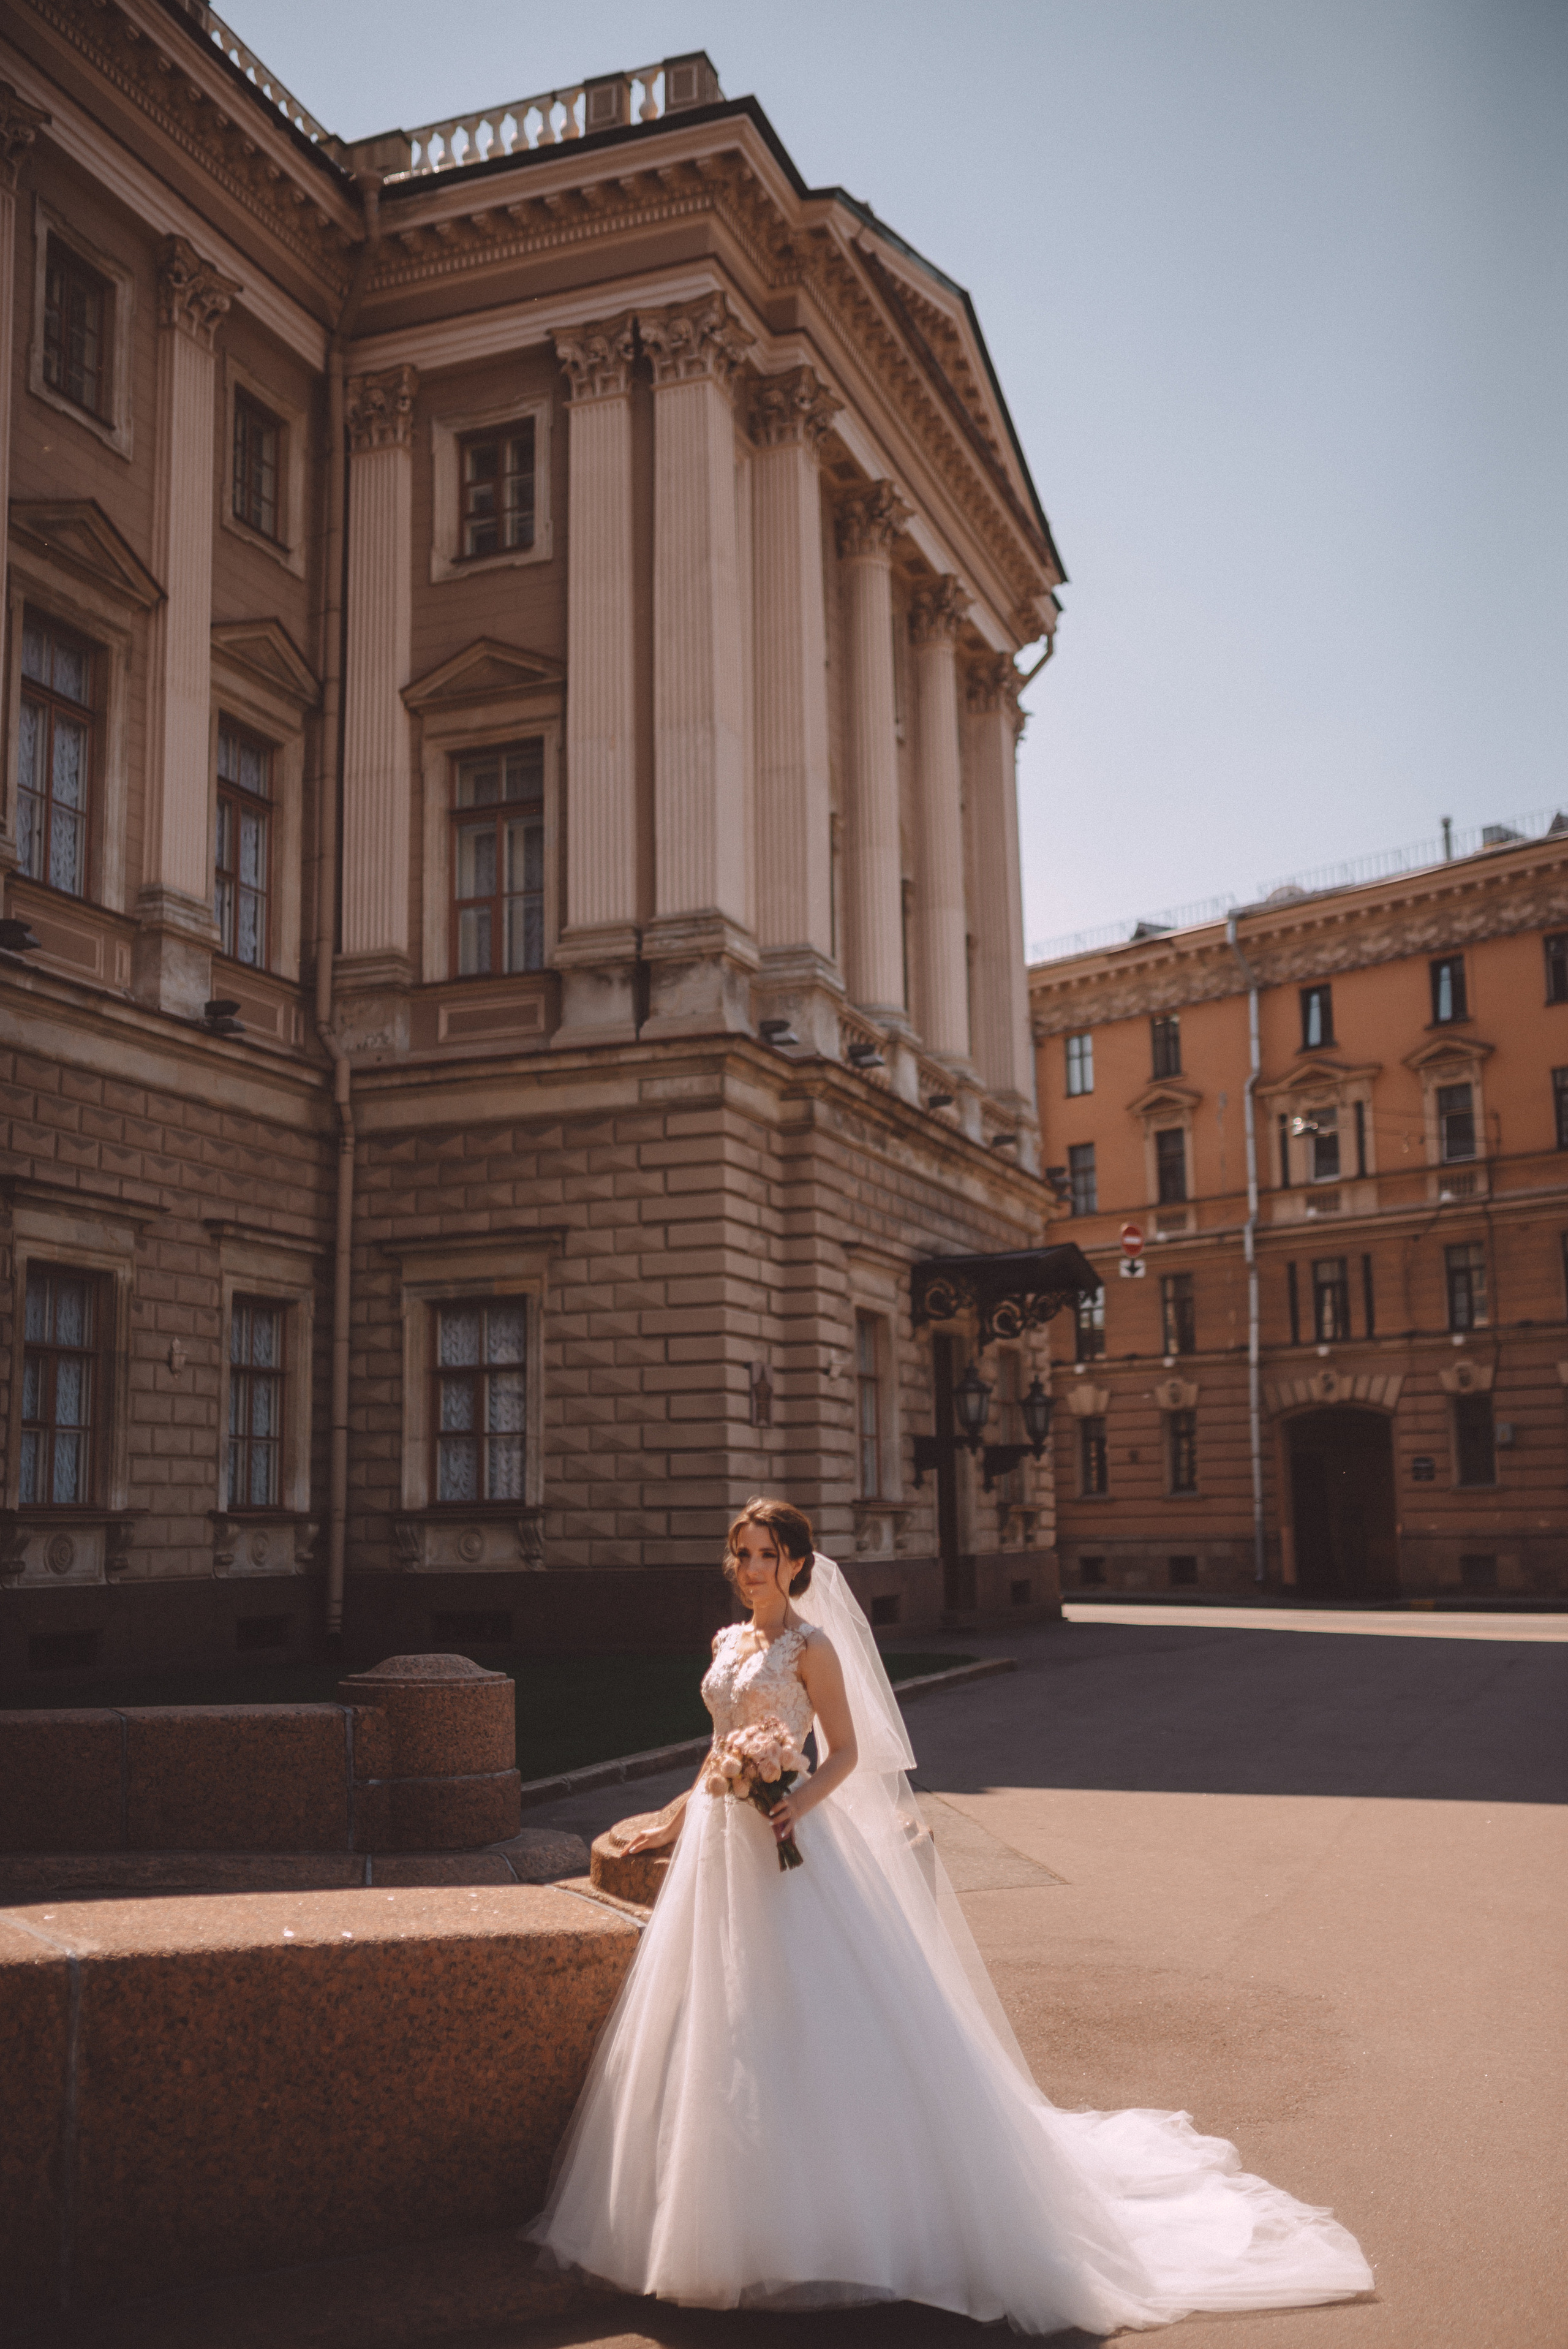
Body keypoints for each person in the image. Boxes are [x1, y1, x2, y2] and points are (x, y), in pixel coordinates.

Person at [526, 1497, 1374, 2334]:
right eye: (740, 1554)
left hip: (787, 1841)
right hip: (718, 1845)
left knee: (812, 2015)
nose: (750, 1570)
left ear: (796, 1562)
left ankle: (839, 2220)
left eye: (765, 1554)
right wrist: (674, 1817)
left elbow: (847, 1751)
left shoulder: (811, 1648)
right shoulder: (728, 1641)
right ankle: (712, 2215)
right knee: (724, 2018)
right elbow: (717, 1745)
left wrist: (795, 1803)